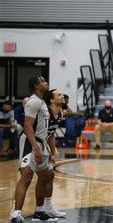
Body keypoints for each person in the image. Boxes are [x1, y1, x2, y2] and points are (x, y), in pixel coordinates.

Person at [10, 76, 55, 222]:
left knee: (45, 176)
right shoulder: (34, 101)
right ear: (36, 85)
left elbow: (44, 129)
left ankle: (39, 212)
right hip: (30, 143)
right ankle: (16, 213)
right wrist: (35, 147)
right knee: (27, 177)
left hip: (40, 143)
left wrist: (45, 147)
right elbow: (28, 126)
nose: (46, 82)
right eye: (42, 81)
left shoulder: (42, 102)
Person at [43, 89, 68, 218]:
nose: (62, 96)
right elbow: (37, 132)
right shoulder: (46, 113)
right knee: (28, 178)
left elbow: (51, 134)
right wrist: (45, 147)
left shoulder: (60, 113)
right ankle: (16, 209)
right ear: (52, 100)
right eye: (59, 95)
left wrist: (53, 153)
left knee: (50, 175)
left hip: (44, 146)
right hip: (33, 144)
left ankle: (48, 208)